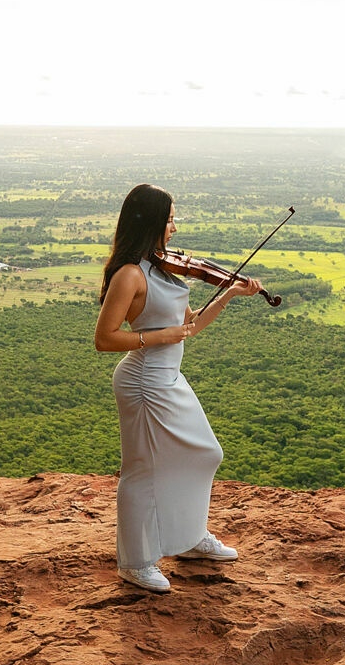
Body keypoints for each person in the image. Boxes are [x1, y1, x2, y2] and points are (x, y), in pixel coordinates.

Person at [93, 183, 260, 593]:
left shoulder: (165, 268)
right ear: (151, 221)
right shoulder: (130, 274)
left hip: (168, 377)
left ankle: (187, 537)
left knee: (204, 452)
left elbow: (189, 327)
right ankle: (134, 562)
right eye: (169, 219)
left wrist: (230, 295)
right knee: (144, 469)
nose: (174, 227)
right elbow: (104, 338)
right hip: (143, 380)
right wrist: (159, 337)